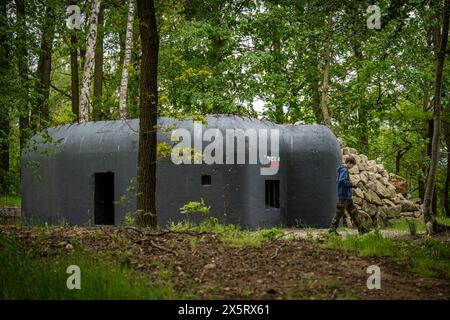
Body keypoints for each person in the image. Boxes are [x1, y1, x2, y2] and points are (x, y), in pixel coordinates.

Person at [329, 156, 370, 236]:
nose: (352, 167)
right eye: (352, 165)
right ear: (349, 163)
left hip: (347, 196)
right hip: (344, 196)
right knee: (339, 213)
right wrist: (352, 184)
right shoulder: (344, 169)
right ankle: (332, 230)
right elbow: (342, 181)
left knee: (353, 212)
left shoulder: (343, 169)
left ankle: (361, 229)